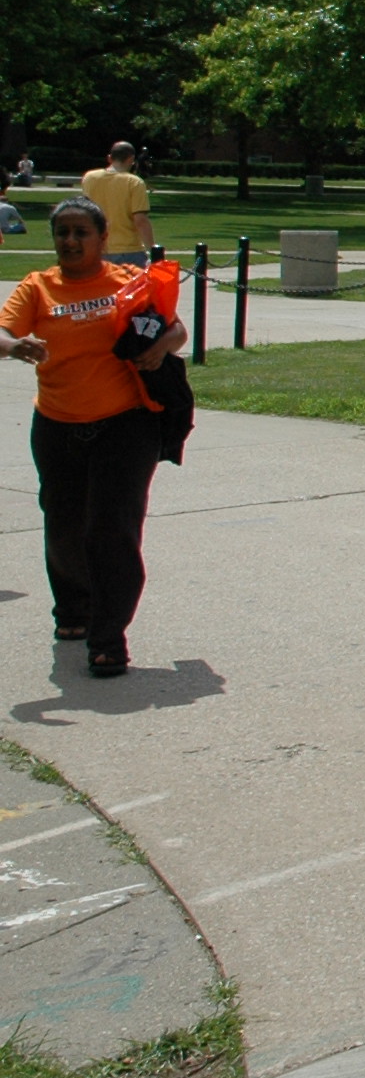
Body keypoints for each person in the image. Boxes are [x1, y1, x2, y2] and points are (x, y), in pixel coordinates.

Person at [1, 198, 186, 678]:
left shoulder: (128, 282)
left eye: (81, 232)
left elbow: (175, 329)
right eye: (62, 232)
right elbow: (0, 332)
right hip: (57, 424)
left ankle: (108, 637)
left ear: (103, 239)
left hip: (126, 425)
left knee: (113, 528)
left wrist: (160, 348)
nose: (70, 241)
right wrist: (16, 345)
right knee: (63, 525)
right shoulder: (38, 287)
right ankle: (74, 609)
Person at [77, 143, 154, 267]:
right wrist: (152, 250)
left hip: (97, 247)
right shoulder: (134, 182)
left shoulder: (89, 178)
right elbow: (140, 220)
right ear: (131, 159)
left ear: (109, 158)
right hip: (128, 249)